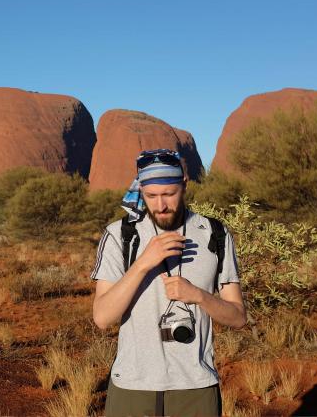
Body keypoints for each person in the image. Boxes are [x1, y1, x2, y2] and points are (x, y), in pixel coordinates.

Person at [90, 149, 246, 417]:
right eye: (151, 196)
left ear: (185, 184)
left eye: (169, 194)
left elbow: (238, 317)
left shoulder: (215, 234)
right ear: (141, 189)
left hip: (196, 386)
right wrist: (143, 263)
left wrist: (198, 295)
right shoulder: (120, 235)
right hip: (132, 386)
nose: (161, 205)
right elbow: (103, 318)